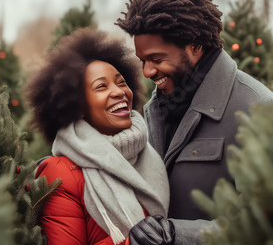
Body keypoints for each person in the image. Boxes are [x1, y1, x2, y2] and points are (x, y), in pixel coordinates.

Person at [116, 0, 273, 244]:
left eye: (157, 59)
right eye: (142, 61)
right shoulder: (154, 111)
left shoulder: (260, 110)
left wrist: (176, 235)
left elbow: (267, 220)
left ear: (194, 45)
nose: (147, 72)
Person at [27, 28, 170, 245]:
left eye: (121, 82)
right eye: (101, 86)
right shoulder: (60, 173)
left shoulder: (150, 155)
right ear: (79, 107)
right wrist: (130, 243)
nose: (119, 91)